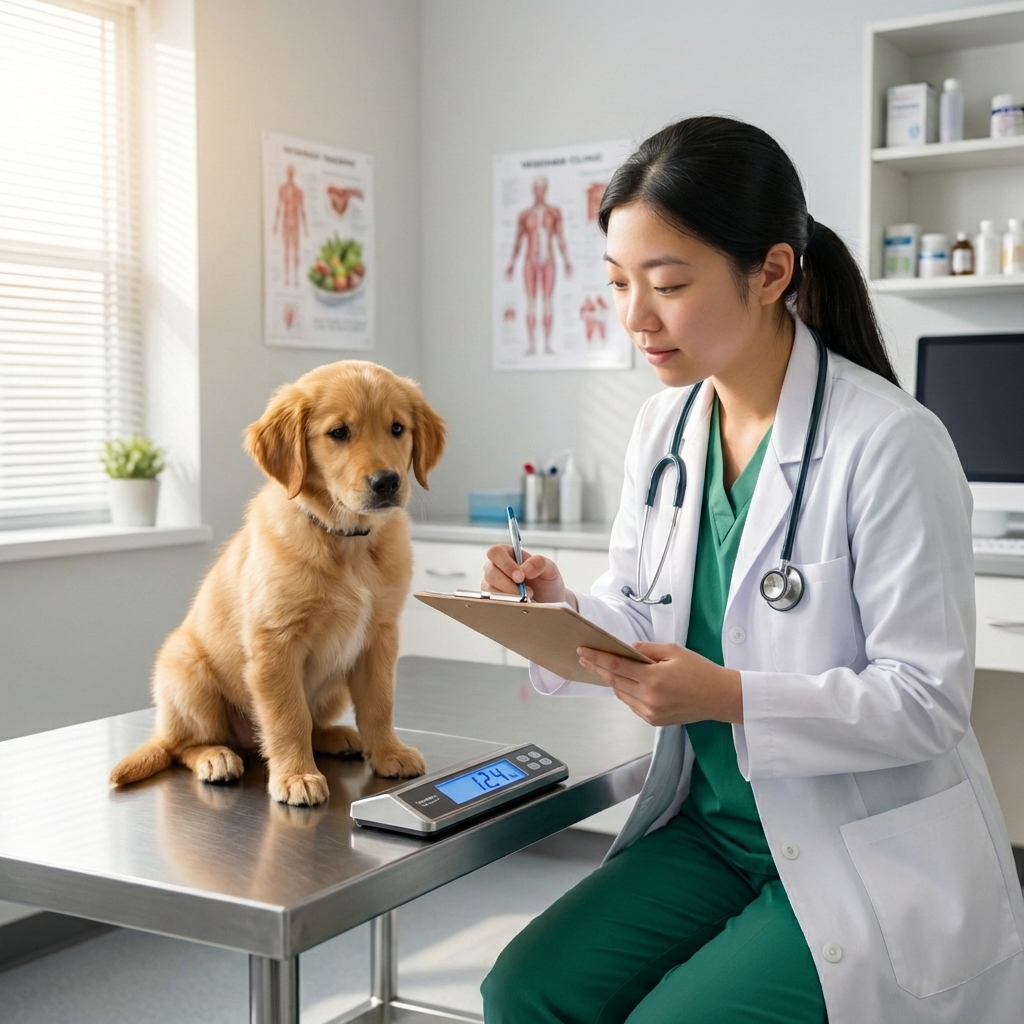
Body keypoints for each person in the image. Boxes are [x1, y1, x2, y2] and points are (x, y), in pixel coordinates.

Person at [480, 117, 1024, 1024]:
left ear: (771, 273)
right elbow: (645, 611)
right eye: (619, 285)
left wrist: (729, 696)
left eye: (669, 285)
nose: (635, 319)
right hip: (714, 832)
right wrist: (560, 608)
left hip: (858, 846)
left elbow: (927, 700)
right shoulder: (664, 430)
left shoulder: (890, 443)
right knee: (526, 989)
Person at [506, 176, 573, 355]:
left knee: (547, 302)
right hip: (530, 260)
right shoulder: (525, 215)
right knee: (531, 303)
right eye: (537, 188)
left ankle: (547, 344)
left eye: (543, 188)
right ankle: (532, 345)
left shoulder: (554, 213)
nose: (540, 191)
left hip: (548, 260)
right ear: (533, 190)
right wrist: (511, 264)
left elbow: (560, 239)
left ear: (546, 189)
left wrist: (567, 261)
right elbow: (518, 242)